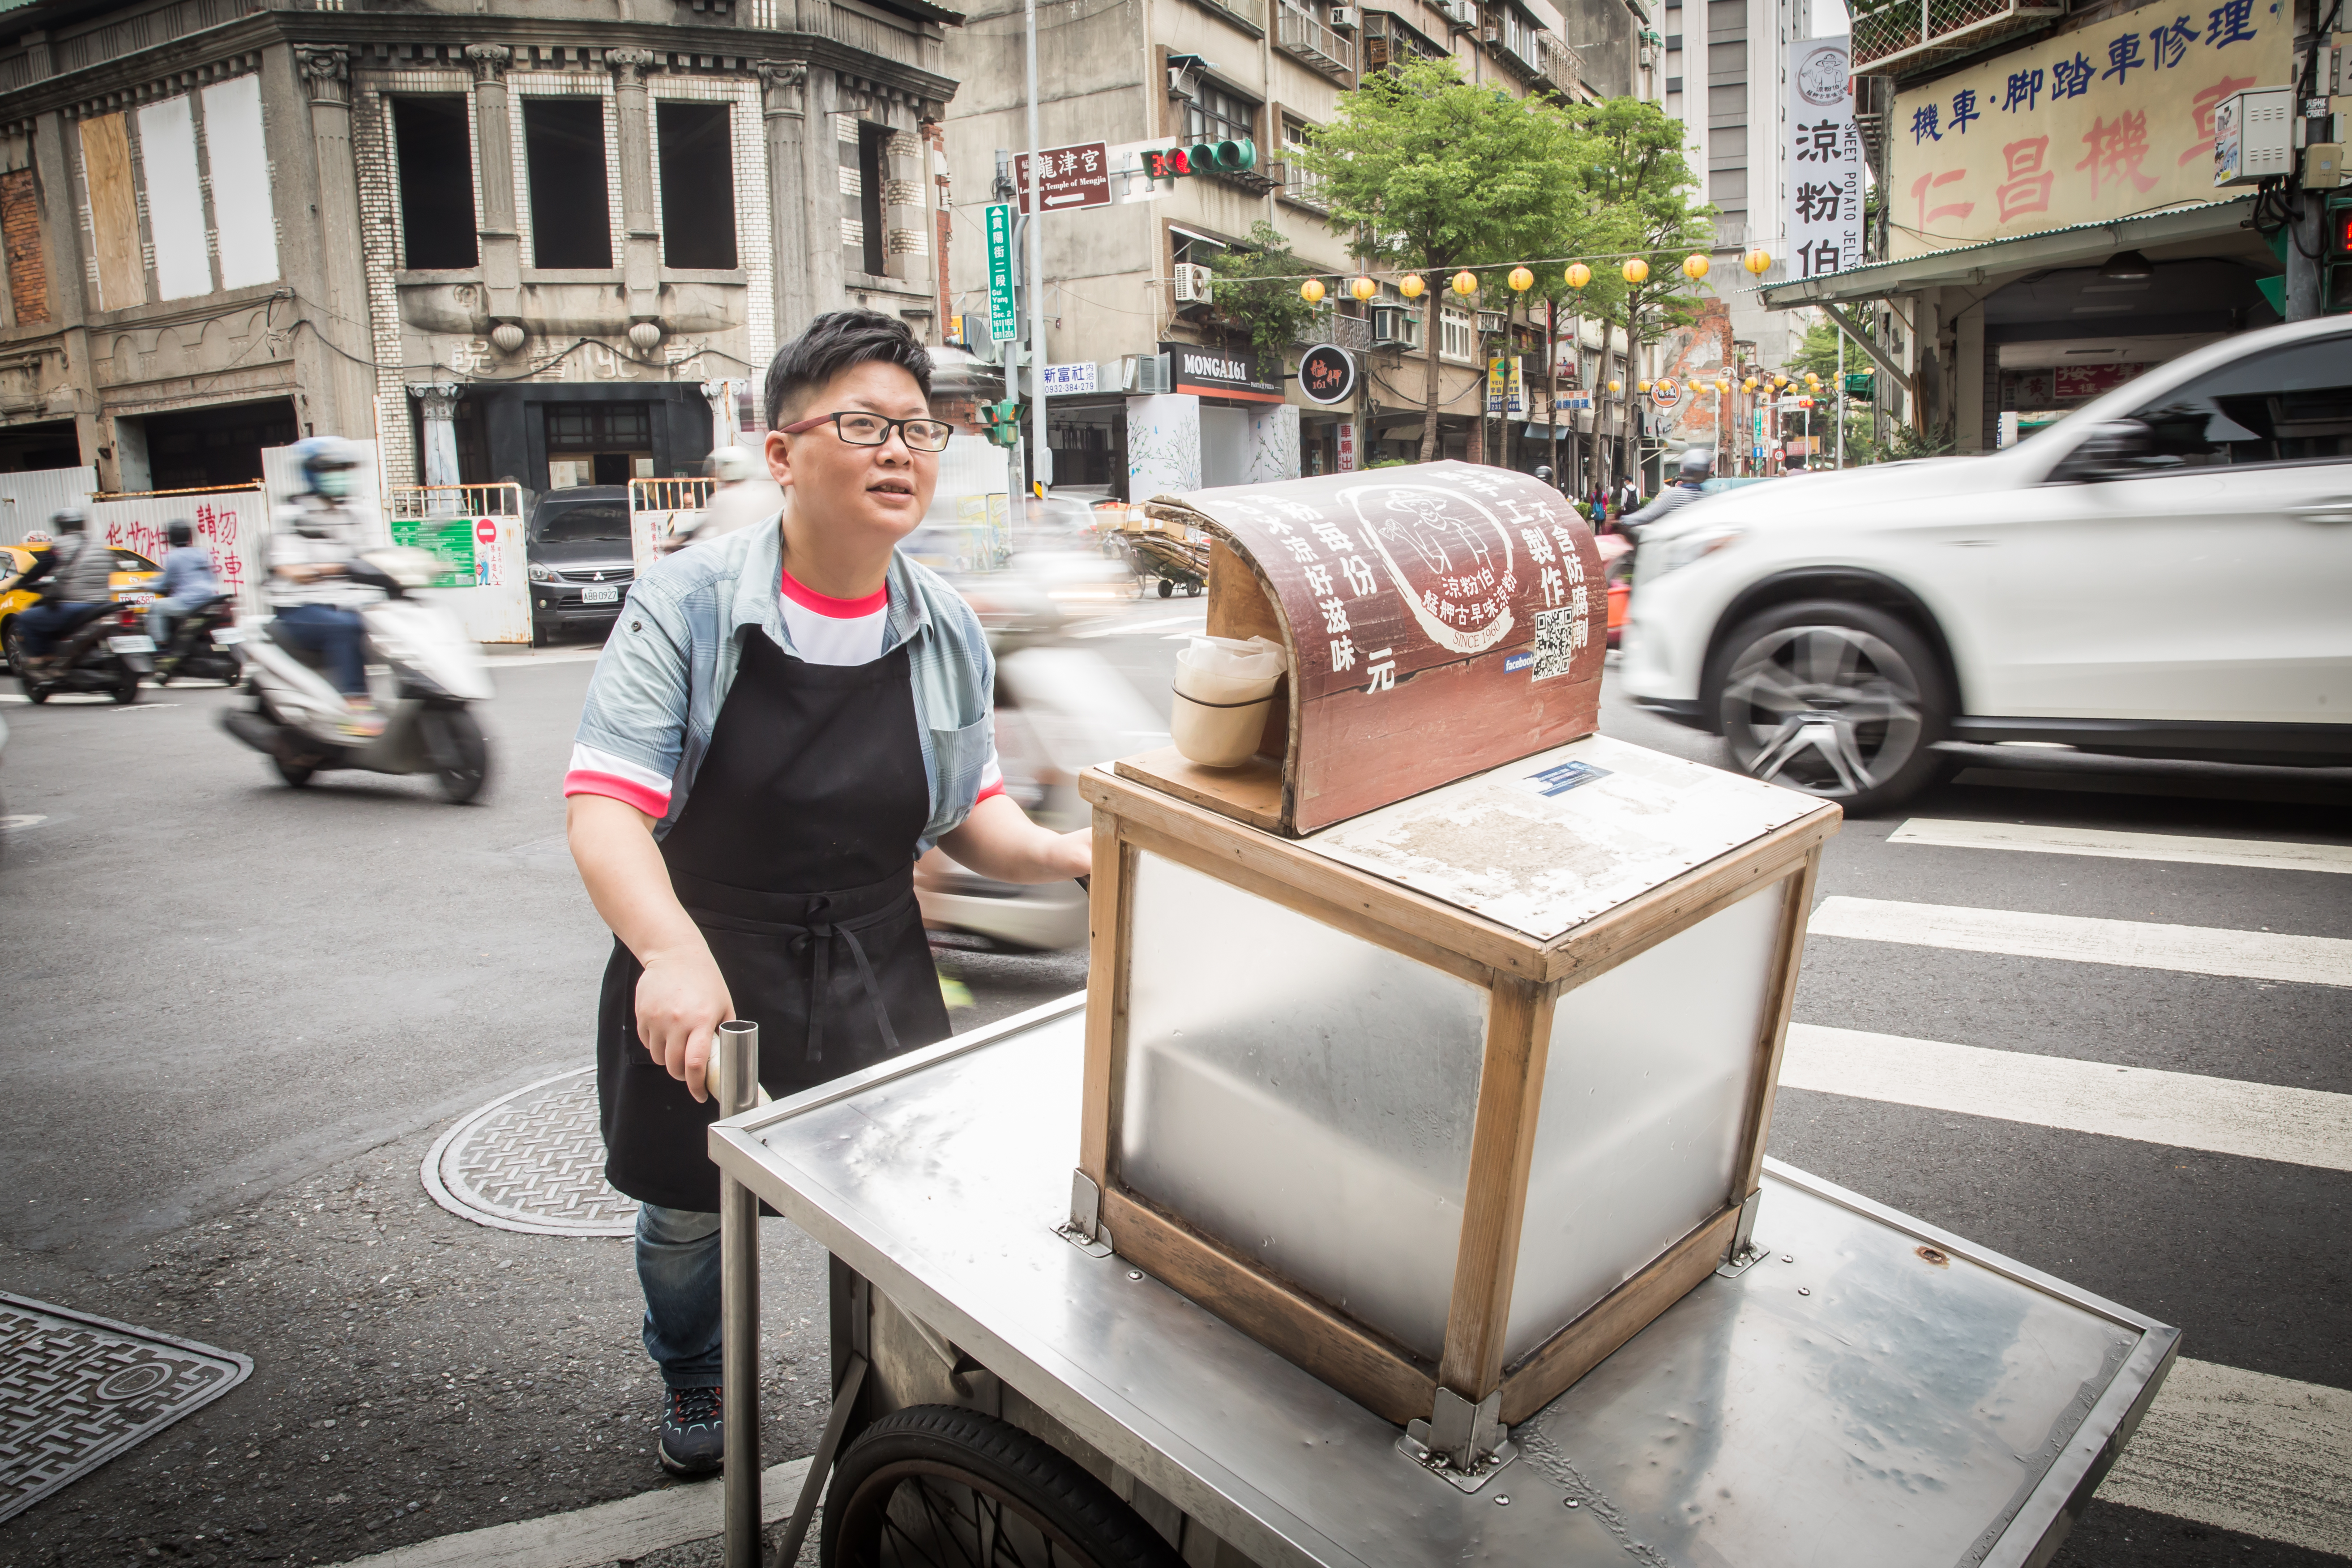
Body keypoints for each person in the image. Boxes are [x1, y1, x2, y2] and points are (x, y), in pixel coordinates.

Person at [564, 311, 1090, 1478]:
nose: (899, 449)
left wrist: (1071, 854)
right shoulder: (689, 603)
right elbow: (603, 806)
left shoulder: (941, 620)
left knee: (905, 1199)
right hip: (707, 951)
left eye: (917, 427)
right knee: (689, 1215)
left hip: (872, 953)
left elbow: (973, 816)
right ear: (783, 451)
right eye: (862, 422)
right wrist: (667, 951)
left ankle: (901, 1404)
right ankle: (691, 1364)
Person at [268, 436, 385, 738]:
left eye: (344, 467)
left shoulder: (357, 514)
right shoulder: (294, 516)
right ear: (311, 472)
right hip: (300, 608)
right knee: (346, 626)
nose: (339, 474)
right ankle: (355, 706)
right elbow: (286, 568)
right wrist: (331, 569)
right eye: (330, 468)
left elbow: (379, 554)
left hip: (348, 603)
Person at [1, 511, 115, 664]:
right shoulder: (98, 545)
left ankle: (44, 659)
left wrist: (21, 583)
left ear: (61, 526)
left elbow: (40, 568)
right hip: (104, 604)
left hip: (76, 605)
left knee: (26, 619)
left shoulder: (61, 544)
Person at [661, 444, 784, 555]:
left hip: (738, 560)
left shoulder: (725, 498)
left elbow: (700, 530)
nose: (717, 472)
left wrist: (678, 544)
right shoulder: (764, 491)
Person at [148, 520, 222, 648]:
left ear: (171, 538)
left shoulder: (173, 556)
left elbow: (164, 584)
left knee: (156, 607)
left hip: (188, 603)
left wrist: (147, 586)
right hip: (208, 600)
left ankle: (161, 646)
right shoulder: (203, 553)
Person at [1619, 446, 1716, 542]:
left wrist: (1622, 521)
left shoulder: (1674, 496)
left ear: (1686, 470)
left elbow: (1647, 515)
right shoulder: (1708, 500)